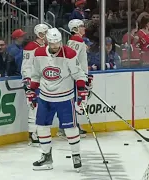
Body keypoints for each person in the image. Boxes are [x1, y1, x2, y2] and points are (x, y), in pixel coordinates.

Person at [27, 28, 90, 171]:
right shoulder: (39, 53)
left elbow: (78, 75)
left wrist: (82, 93)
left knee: (70, 128)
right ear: (47, 41)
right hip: (45, 97)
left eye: (57, 43)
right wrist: (31, 90)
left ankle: (76, 155)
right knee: (41, 127)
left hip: (65, 97)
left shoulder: (69, 54)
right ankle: (46, 157)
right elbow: (36, 74)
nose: (55, 46)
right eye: (52, 43)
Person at [56, 19, 89, 139]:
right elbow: (70, 58)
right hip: (74, 77)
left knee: (72, 102)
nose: (84, 28)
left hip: (75, 76)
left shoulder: (76, 40)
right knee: (72, 102)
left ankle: (68, 126)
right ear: (75, 29)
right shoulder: (77, 39)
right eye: (81, 26)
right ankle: (66, 128)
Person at [21, 24, 49, 145]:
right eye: (46, 33)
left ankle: (40, 131)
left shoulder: (48, 47)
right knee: (33, 106)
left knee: (43, 107)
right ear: (40, 34)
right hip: (33, 82)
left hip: (44, 82)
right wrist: (28, 80)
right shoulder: (31, 47)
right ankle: (33, 133)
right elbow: (26, 65)